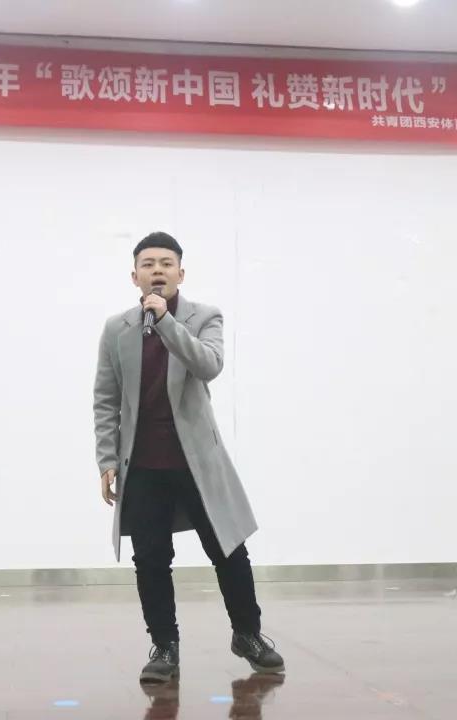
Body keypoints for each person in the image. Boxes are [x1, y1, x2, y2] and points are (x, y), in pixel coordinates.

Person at [93, 231, 285, 683]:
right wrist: (106, 458)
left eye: (166, 263)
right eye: (147, 264)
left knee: (229, 550)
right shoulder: (117, 329)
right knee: (151, 559)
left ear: (181, 273)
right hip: (142, 464)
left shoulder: (204, 317)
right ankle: (165, 646)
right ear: (134, 276)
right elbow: (106, 397)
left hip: (197, 462)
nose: (157, 271)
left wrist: (165, 322)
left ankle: (248, 634)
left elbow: (208, 365)